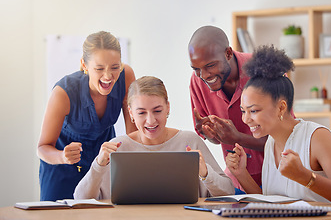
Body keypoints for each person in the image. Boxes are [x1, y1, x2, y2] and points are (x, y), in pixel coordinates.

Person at [226, 45, 331, 208]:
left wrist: (304, 176)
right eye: (243, 111)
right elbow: (274, 203)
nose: (246, 119)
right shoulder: (271, 143)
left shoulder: (316, 137)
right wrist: (241, 174)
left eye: (253, 110)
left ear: (281, 107)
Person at [74, 76, 234, 199]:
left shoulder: (189, 141)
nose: (150, 121)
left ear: (167, 108)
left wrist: (206, 173)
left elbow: (228, 192)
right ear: (131, 113)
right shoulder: (116, 147)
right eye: (141, 113)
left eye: (157, 111)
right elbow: (80, 198)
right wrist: (99, 165)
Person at [37, 31, 137, 201]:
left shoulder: (126, 75)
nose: (108, 76)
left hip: (102, 163)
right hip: (63, 166)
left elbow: (134, 133)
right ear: (84, 65)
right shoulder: (63, 93)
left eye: (115, 67)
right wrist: (62, 156)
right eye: (99, 69)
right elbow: (42, 148)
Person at [188, 25, 265, 191]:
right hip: (237, 181)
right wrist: (210, 134)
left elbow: (287, 139)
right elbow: (217, 140)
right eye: (196, 69)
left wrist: (237, 137)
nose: (204, 76)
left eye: (210, 65)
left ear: (228, 53)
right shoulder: (197, 81)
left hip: (277, 177)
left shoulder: (265, 71)